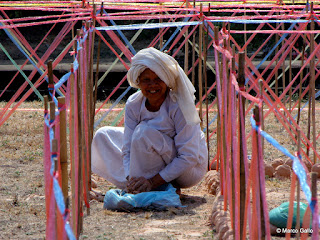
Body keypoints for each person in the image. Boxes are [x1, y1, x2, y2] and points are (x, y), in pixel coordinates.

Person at [91, 47, 208, 195]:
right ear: (138, 82)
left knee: (143, 133)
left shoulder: (179, 105)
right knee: (104, 135)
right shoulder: (134, 103)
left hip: (188, 171)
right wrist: (130, 176)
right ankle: (137, 183)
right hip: (152, 154)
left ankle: (153, 185)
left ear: (166, 81)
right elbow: (127, 148)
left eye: (158, 79)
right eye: (146, 80)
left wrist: (151, 182)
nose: (153, 85)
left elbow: (188, 157)